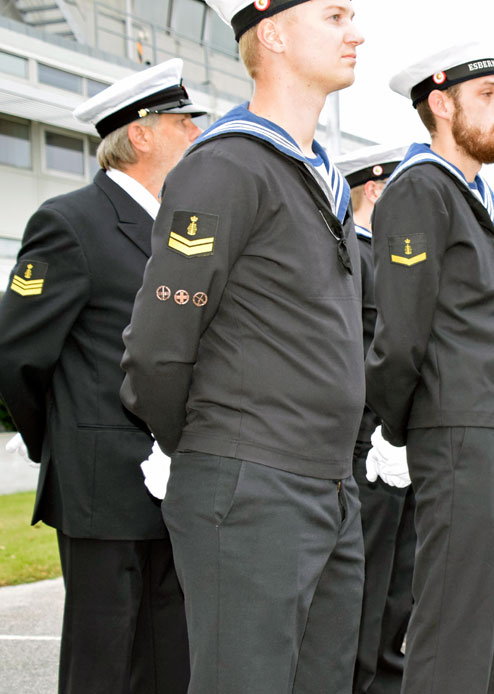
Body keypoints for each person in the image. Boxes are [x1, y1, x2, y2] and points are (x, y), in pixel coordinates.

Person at [119, 3, 366, 691]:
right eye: (336, 14)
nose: (357, 31)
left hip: (327, 482)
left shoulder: (316, 176)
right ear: (276, 32)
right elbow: (158, 347)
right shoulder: (228, 165)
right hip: (254, 484)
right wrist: (205, 449)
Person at [0, 59, 201, 694]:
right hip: (101, 492)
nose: (196, 136)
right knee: (104, 662)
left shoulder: (179, 226)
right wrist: (65, 442)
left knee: (171, 655)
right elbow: (16, 355)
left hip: (179, 483)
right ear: (141, 135)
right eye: (183, 124)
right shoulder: (71, 222)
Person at [369, 44, 494, 694]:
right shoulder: (419, 191)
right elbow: (402, 332)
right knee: (453, 635)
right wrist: (397, 429)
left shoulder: (471, 195)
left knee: (493, 638)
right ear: (442, 104)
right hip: (460, 431)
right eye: (488, 95)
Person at [334, 144, 417, 694]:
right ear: (374, 189)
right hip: (369, 443)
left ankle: (387, 677)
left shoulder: (387, 256)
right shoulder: (355, 255)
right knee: (366, 581)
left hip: (401, 440)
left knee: (400, 580)